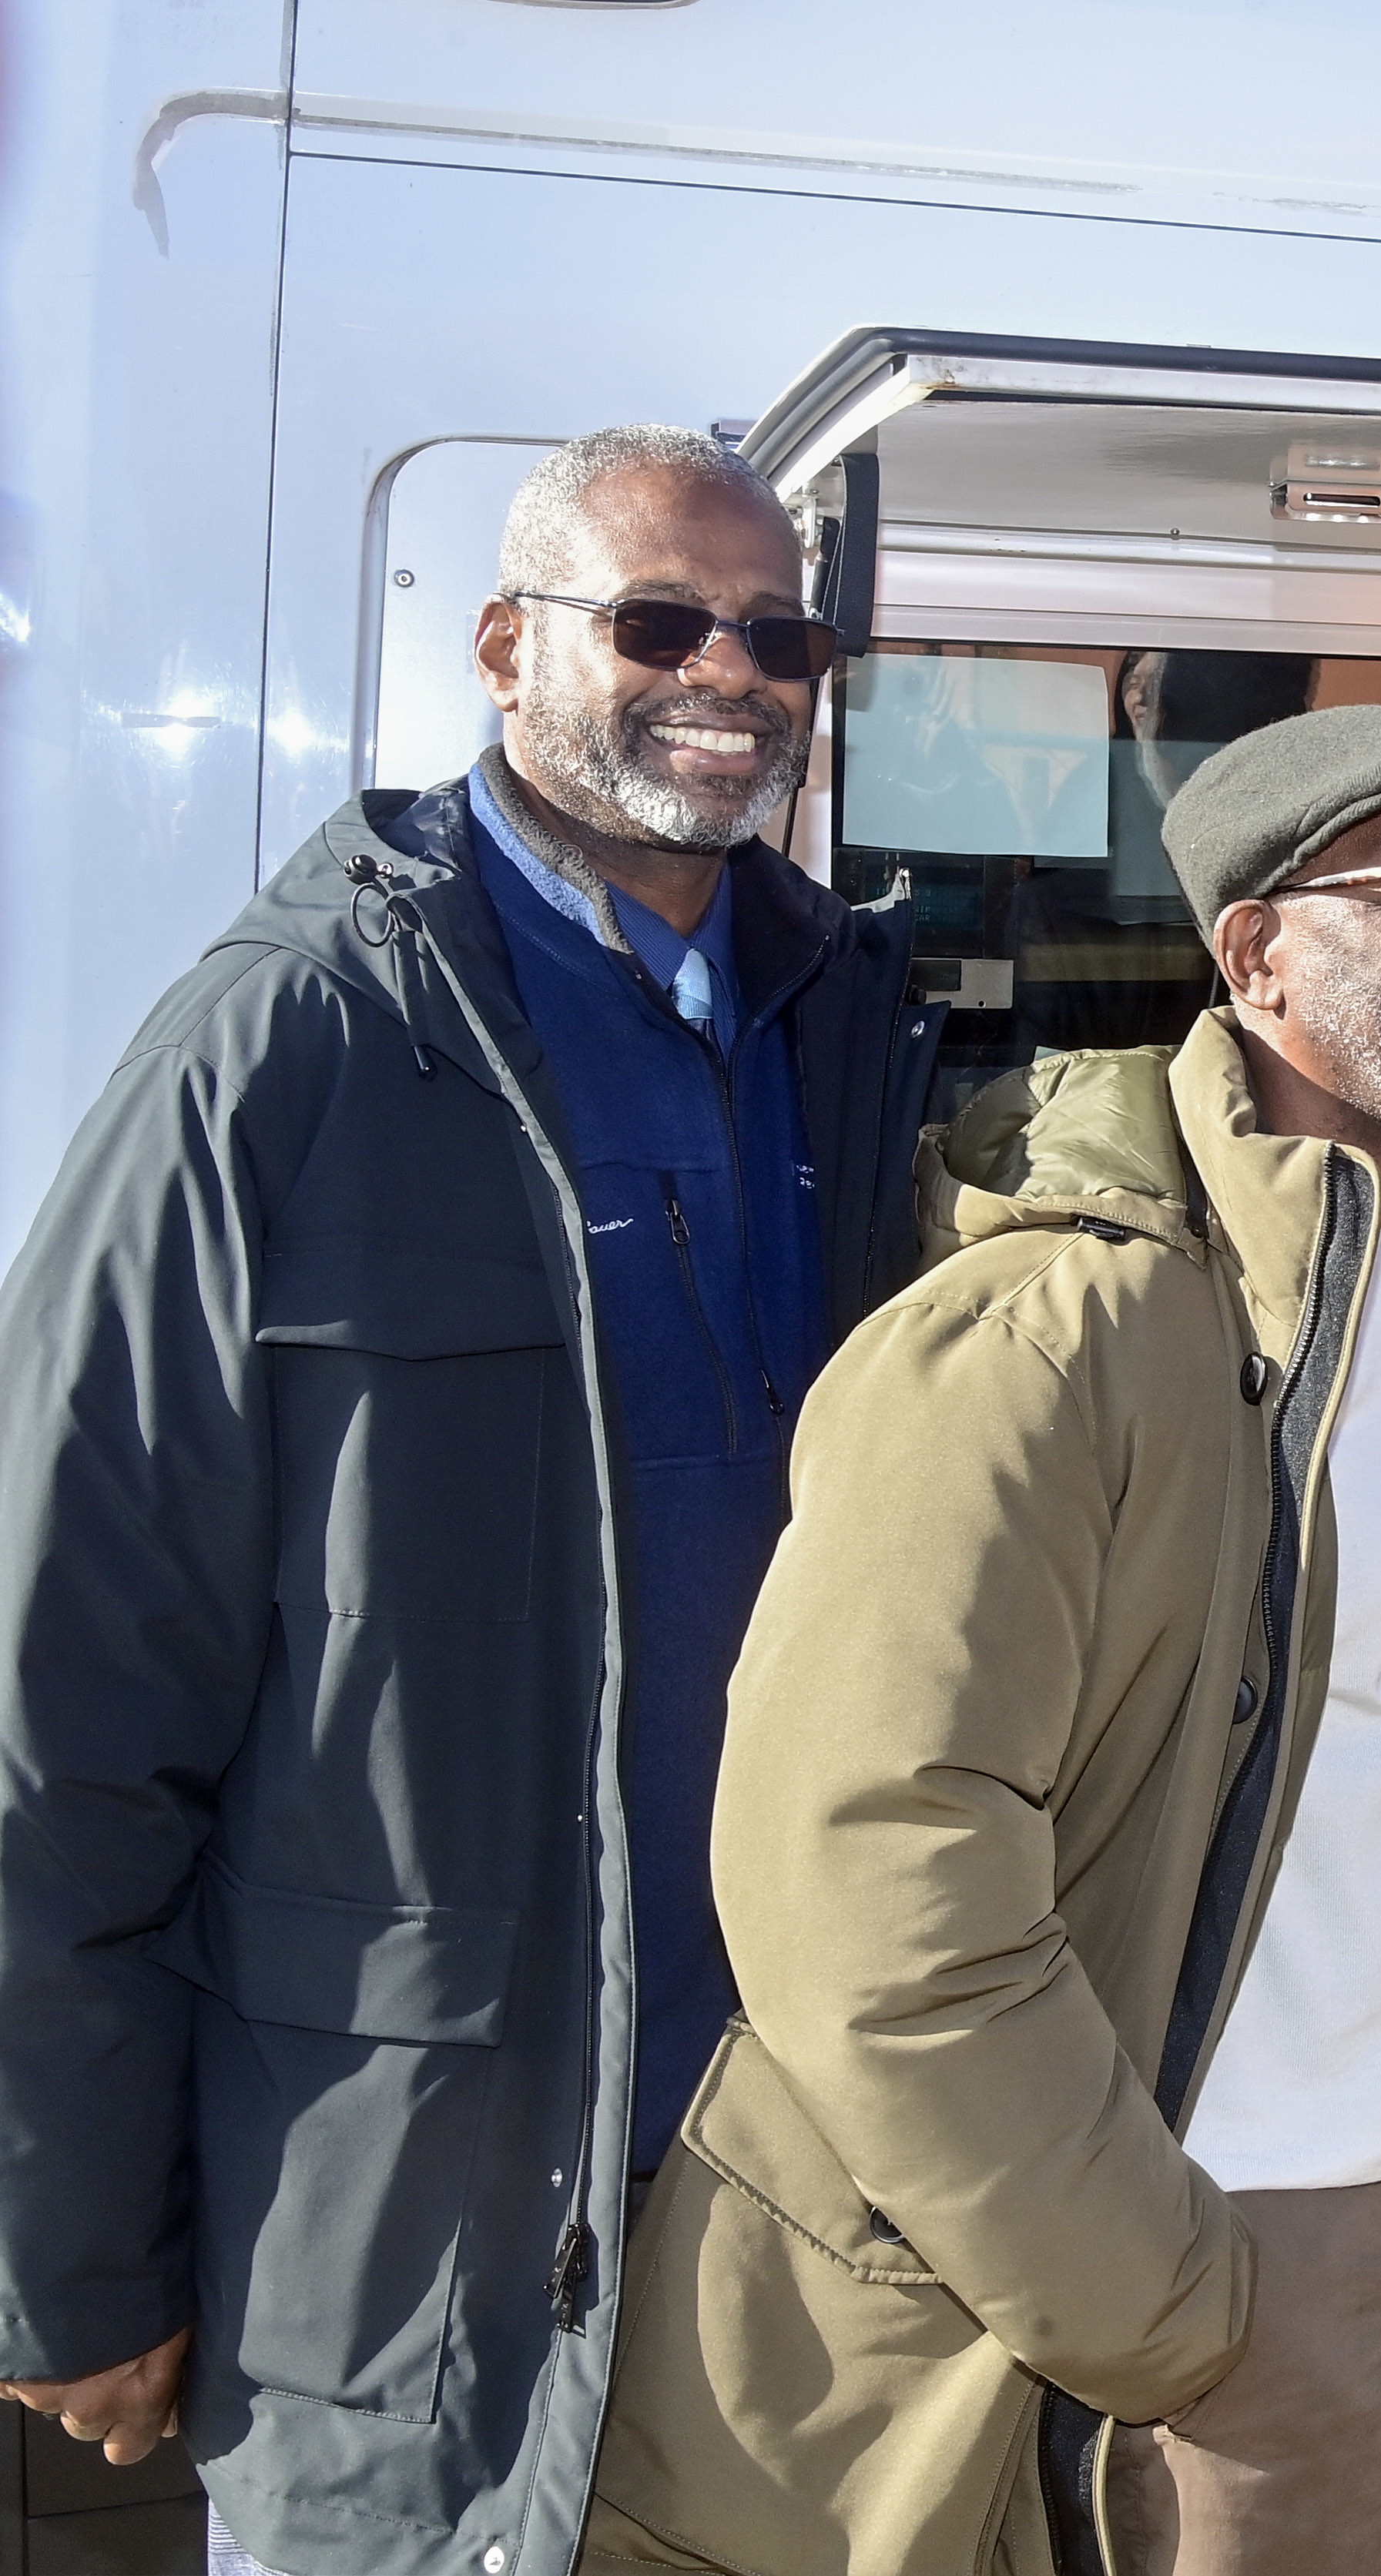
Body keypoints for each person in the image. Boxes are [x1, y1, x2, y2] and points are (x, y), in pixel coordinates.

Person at [0, 426, 940, 2574]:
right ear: (511, 644)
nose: (731, 668)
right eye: (658, 619)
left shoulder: (839, 1021)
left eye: (778, 631)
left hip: (781, 2149)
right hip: (416, 2188)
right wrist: (64, 2242)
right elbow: (62, 1685)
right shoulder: (295, 1041)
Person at [576, 707, 1381, 2576]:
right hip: (1207, 2248)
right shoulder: (1055, 1325)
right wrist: (1149, 2291)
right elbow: (863, 1861)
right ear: (1255, 954)